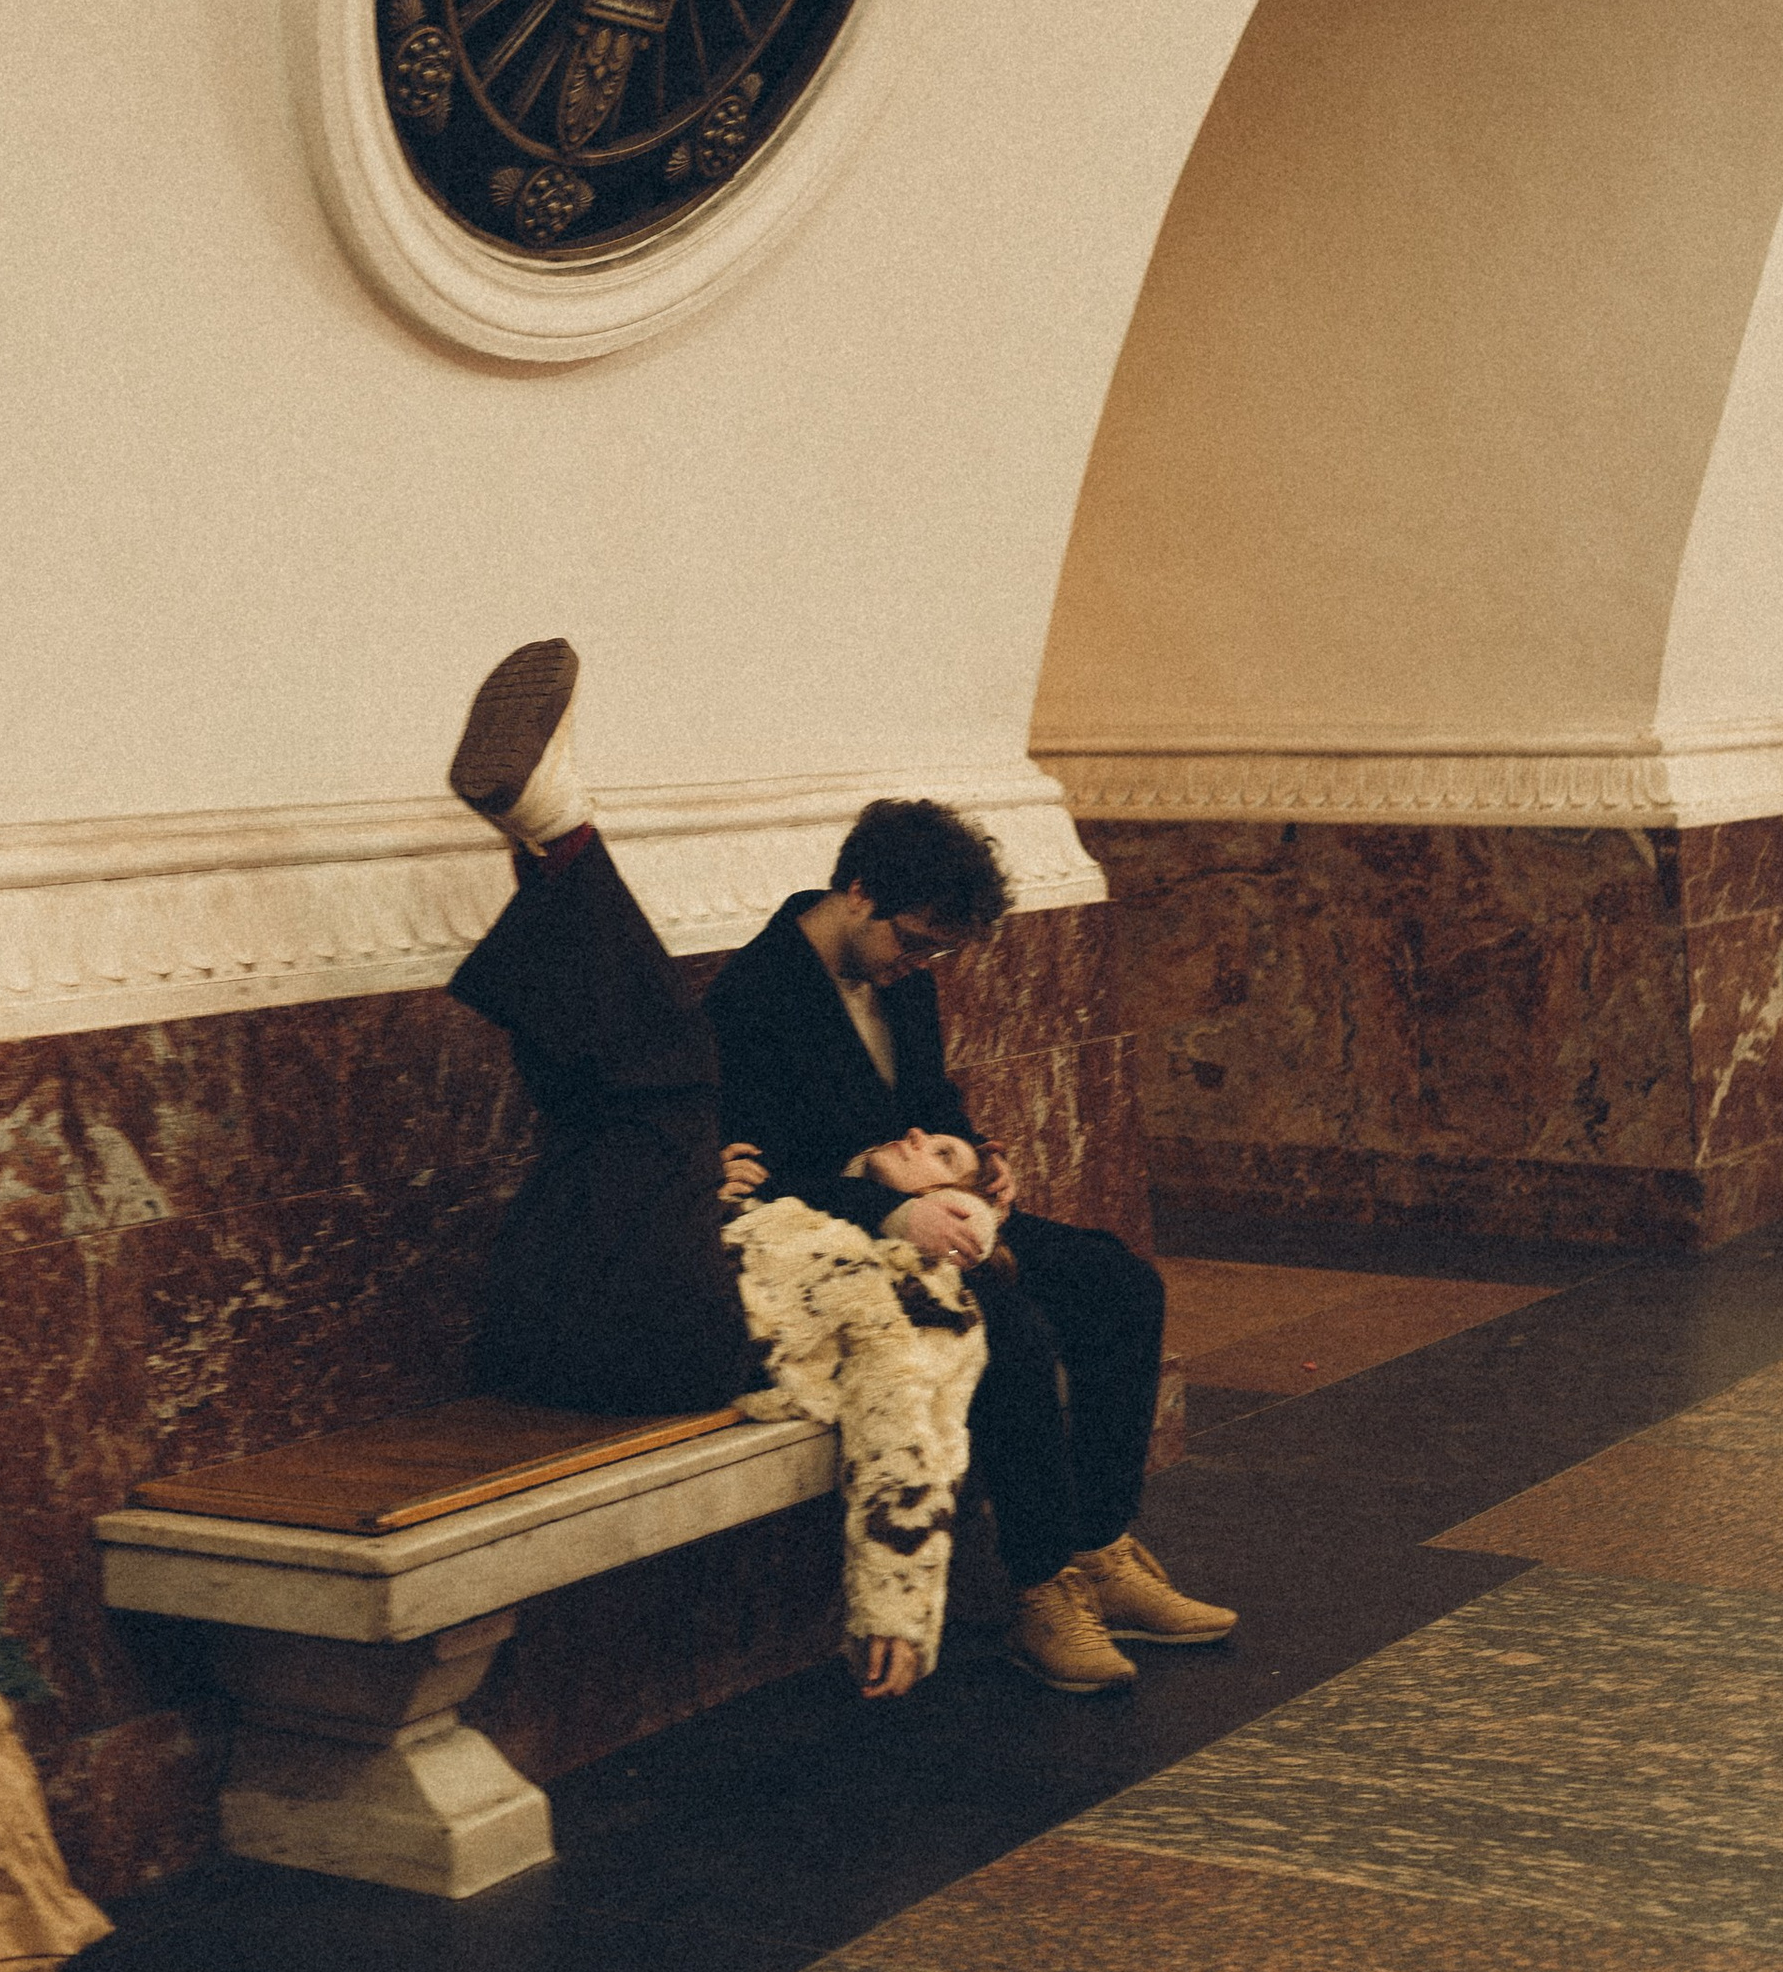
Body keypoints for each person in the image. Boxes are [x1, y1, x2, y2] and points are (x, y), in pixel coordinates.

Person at [444, 641, 975, 1696]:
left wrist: (897, 1615)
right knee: (606, 1105)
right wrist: (731, 1189)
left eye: (942, 1164)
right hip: (588, 1301)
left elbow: (906, 1443)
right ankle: (549, 848)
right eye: (937, 1149)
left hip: (671, 1346)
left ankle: (556, 837)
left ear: (950, 1228)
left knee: (672, 1082)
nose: (926, 1147)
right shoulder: (850, 1237)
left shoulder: (919, 1315)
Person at [705, 797, 1238, 1693]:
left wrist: (976, 1158)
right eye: (915, 942)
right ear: (860, 893)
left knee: (1119, 1283)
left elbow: (930, 1102)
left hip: (931, 1215)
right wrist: (883, 1200)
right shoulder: (754, 997)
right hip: (835, 1246)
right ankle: (1040, 1589)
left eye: (940, 952)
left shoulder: (902, 973)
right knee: (1012, 1330)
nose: (920, 965)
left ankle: (1100, 1547)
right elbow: (762, 1182)